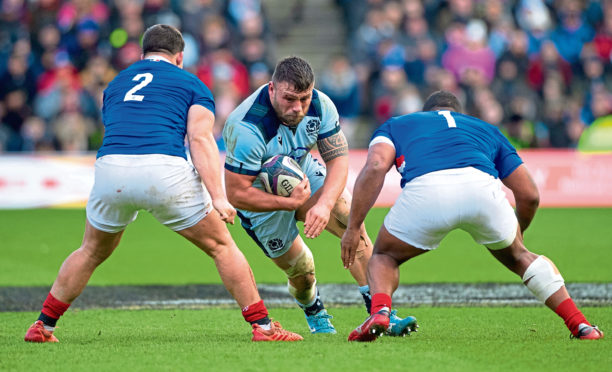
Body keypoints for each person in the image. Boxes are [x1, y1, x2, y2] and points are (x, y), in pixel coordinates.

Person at [24, 24, 302, 343]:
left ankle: (43, 325)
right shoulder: (192, 84)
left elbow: (119, 125)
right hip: (163, 168)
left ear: (143, 54)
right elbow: (199, 139)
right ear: (179, 57)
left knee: (90, 250)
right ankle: (264, 328)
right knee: (221, 246)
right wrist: (219, 197)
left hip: (110, 168)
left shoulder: (115, 84)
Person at [343, 90, 604, 342]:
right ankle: (580, 324)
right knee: (521, 257)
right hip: (482, 188)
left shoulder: (398, 124)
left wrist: (353, 228)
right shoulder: (485, 128)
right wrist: (518, 234)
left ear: (425, 112)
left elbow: (376, 165)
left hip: (427, 190)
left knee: (384, 256)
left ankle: (380, 312)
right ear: (460, 114)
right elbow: (529, 194)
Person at [222, 56, 416, 335]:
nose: (297, 107)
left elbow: (338, 160)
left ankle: (382, 313)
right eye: (289, 99)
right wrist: (290, 203)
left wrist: (324, 204)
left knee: (353, 223)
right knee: (302, 271)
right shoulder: (247, 127)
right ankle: (314, 310)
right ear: (272, 89)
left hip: (302, 172)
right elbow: (237, 194)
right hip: (259, 200)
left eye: (304, 97)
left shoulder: (321, 104)